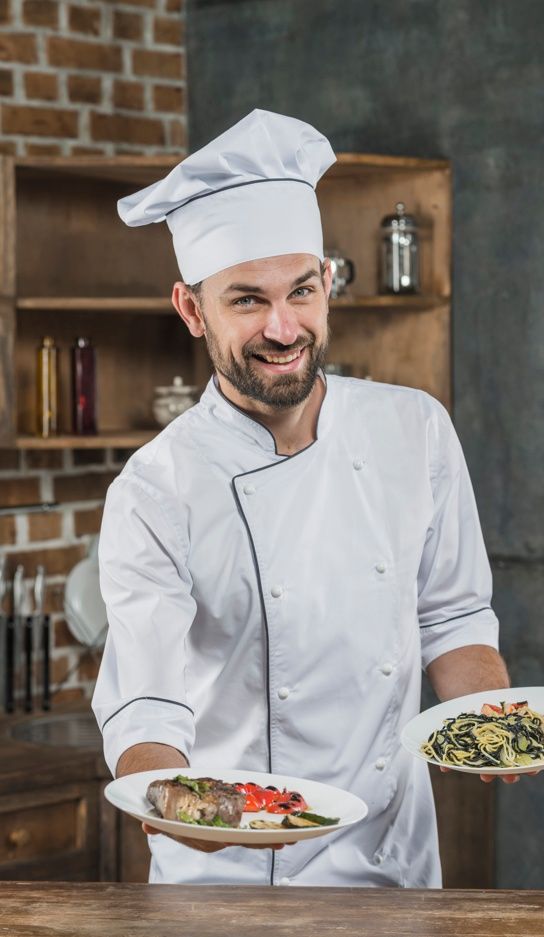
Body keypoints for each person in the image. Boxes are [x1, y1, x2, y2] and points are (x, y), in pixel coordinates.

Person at [92, 109, 513, 888]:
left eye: (303, 290)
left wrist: (492, 725)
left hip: (394, 863)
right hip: (229, 879)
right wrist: (181, 807)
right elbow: (146, 706)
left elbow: (452, 617)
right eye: (247, 299)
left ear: (327, 282)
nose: (284, 327)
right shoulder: (158, 486)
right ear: (192, 310)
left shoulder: (414, 428)